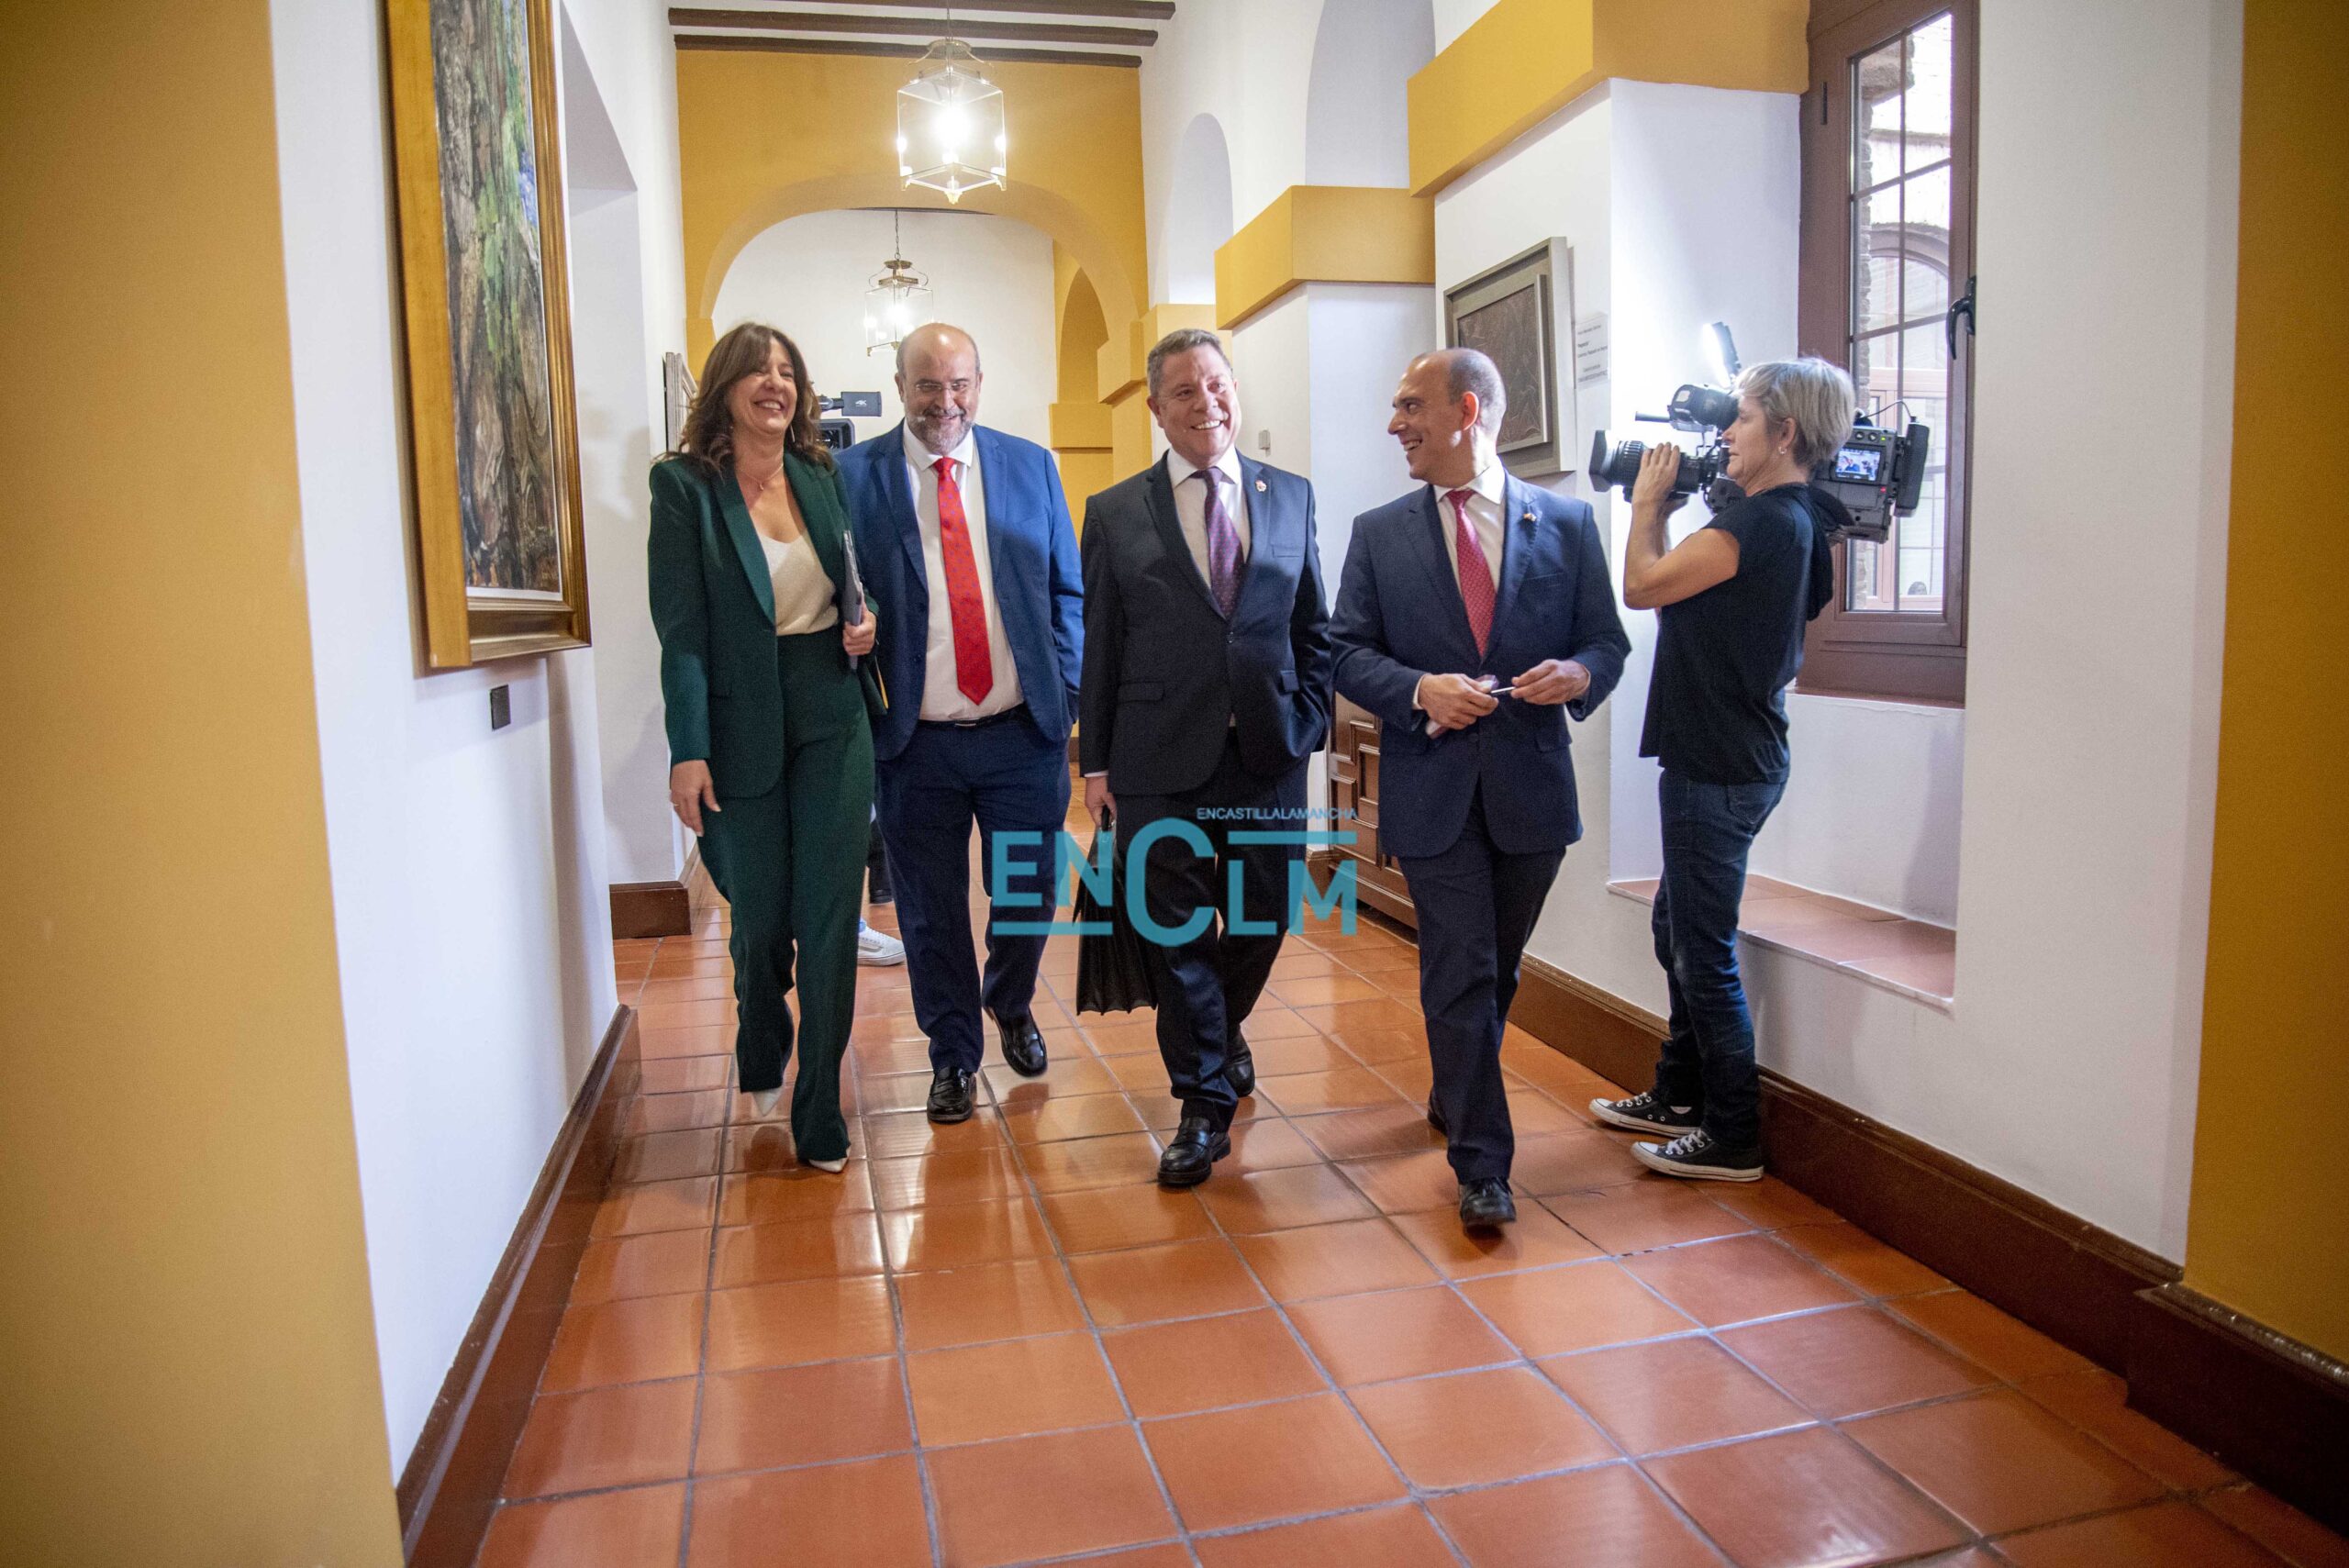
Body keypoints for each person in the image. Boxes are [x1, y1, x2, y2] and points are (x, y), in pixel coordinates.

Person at [1330, 350, 1630, 1231]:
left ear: (1467, 411)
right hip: (1431, 791)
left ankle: (1457, 1088)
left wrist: (1579, 673)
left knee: (1493, 967)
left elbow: (1607, 642)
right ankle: (1484, 1167)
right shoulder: (1380, 532)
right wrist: (1420, 689)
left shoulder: (1568, 525)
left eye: (1409, 406)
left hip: (1532, 795)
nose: (1395, 426)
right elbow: (1344, 650)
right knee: (1458, 967)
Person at [1079, 328, 1332, 1188]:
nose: (1207, 402)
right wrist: (1096, 762)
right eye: (1184, 390)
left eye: (1218, 384)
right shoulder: (1115, 511)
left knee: (1263, 917)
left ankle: (1217, 1034)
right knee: (1174, 927)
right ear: (1156, 408)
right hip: (1156, 757)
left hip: (1267, 752)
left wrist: (1310, 715)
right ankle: (1201, 1104)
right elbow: (1102, 646)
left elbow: (1314, 627)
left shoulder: (1290, 495)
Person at [1590, 357, 1854, 1182]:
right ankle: (1679, 1092)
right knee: (1679, 926)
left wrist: (1644, 507)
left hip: (1722, 761)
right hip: (1733, 752)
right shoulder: (1792, 519)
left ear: (1785, 432)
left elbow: (1641, 585)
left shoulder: (1768, 523)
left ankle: (1733, 1130)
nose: (1724, 435)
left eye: (1739, 419)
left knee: (1701, 945)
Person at [648, 323, 883, 1173]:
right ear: (726, 388)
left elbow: (852, 583)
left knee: (827, 918)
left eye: (788, 371)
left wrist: (866, 626)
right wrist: (687, 747)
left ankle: (819, 1107)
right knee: (760, 921)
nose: (775, 384)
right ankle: (762, 1032)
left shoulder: (821, 476)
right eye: (757, 371)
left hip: (831, 714)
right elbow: (681, 635)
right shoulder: (683, 488)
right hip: (738, 725)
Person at [835, 323, 1083, 1124]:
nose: (946, 402)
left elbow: (1065, 592)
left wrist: (1067, 690)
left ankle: (1008, 1001)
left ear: (979, 382)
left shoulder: (1030, 465)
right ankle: (952, 1053)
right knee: (930, 911)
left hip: (1021, 732)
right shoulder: (851, 476)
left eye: (959, 384)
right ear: (902, 385)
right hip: (916, 741)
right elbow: (838, 594)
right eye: (928, 385)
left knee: (1025, 892)